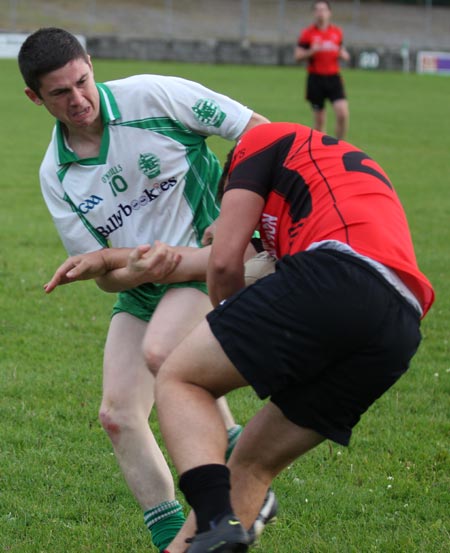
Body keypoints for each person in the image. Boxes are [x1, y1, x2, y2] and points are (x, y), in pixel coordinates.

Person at [18, 27, 270, 553]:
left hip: (208, 265)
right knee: (117, 414)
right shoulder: (57, 175)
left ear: (91, 64)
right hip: (143, 287)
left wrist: (235, 208)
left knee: (162, 353)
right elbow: (105, 275)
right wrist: (136, 266)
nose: (78, 99)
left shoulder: (152, 96)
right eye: (60, 93)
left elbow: (258, 132)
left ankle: (241, 479)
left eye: (82, 81)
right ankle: (172, 535)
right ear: (34, 97)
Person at [152, 122, 435, 552]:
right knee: (250, 463)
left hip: (340, 275)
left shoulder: (257, 143)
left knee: (180, 377)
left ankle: (214, 518)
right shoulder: (316, 176)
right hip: (399, 326)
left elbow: (225, 264)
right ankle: (220, 530)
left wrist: (231, 329)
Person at [294, 0, 350, 139]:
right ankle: (322, 152)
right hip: (316, 79)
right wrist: (311, 51)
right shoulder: (308, 34)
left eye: (324, 10)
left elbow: (342, 50)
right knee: (319, 122)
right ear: (314, 13)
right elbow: (297, 55)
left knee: (342, 113)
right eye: (318, 10)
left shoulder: (336, 32)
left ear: (329, 12)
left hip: (333, 78)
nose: (321, 13)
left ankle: (340, 146)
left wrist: (344, 55)